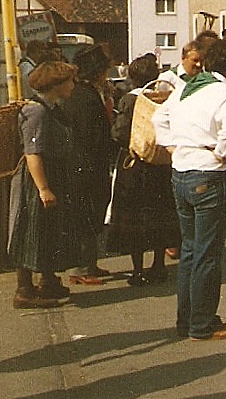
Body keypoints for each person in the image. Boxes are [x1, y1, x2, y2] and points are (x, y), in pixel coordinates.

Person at [153, 39, 226, 340]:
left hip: (180, 173)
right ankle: (203, 323)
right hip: (209, 175)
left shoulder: (185, 88)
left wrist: (172, 146)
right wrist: (224, 152)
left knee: (190, 251)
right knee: (208, 254)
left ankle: (187, 320)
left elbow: (159, 117)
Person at [9, 61, 80, 308]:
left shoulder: (51, 107)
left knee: (47, 230)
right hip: (35, 179)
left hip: (50, 175)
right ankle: (24, 290)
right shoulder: (36, 111)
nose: (72, 86)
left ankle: (47, 281)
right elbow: (33, 153)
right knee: (31, 231)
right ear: (56, 84)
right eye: (69, 81)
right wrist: (43, 188)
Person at [108, 54, 180, 286]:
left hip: (135, 165)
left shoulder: (130, 100)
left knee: (134, 217)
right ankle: (158, 265)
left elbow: (119, 134)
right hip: (161, 165)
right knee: (160, 214)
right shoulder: (165, 97)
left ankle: (137, 270)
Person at [64, 44, 116, 286]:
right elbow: (90, 135)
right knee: (88, 214)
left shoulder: (84, 92)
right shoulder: (84, 97)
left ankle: (89, 264)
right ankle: (81, 268)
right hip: (86, 166)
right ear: (97, 72)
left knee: (92, 212)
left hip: (86, 164)